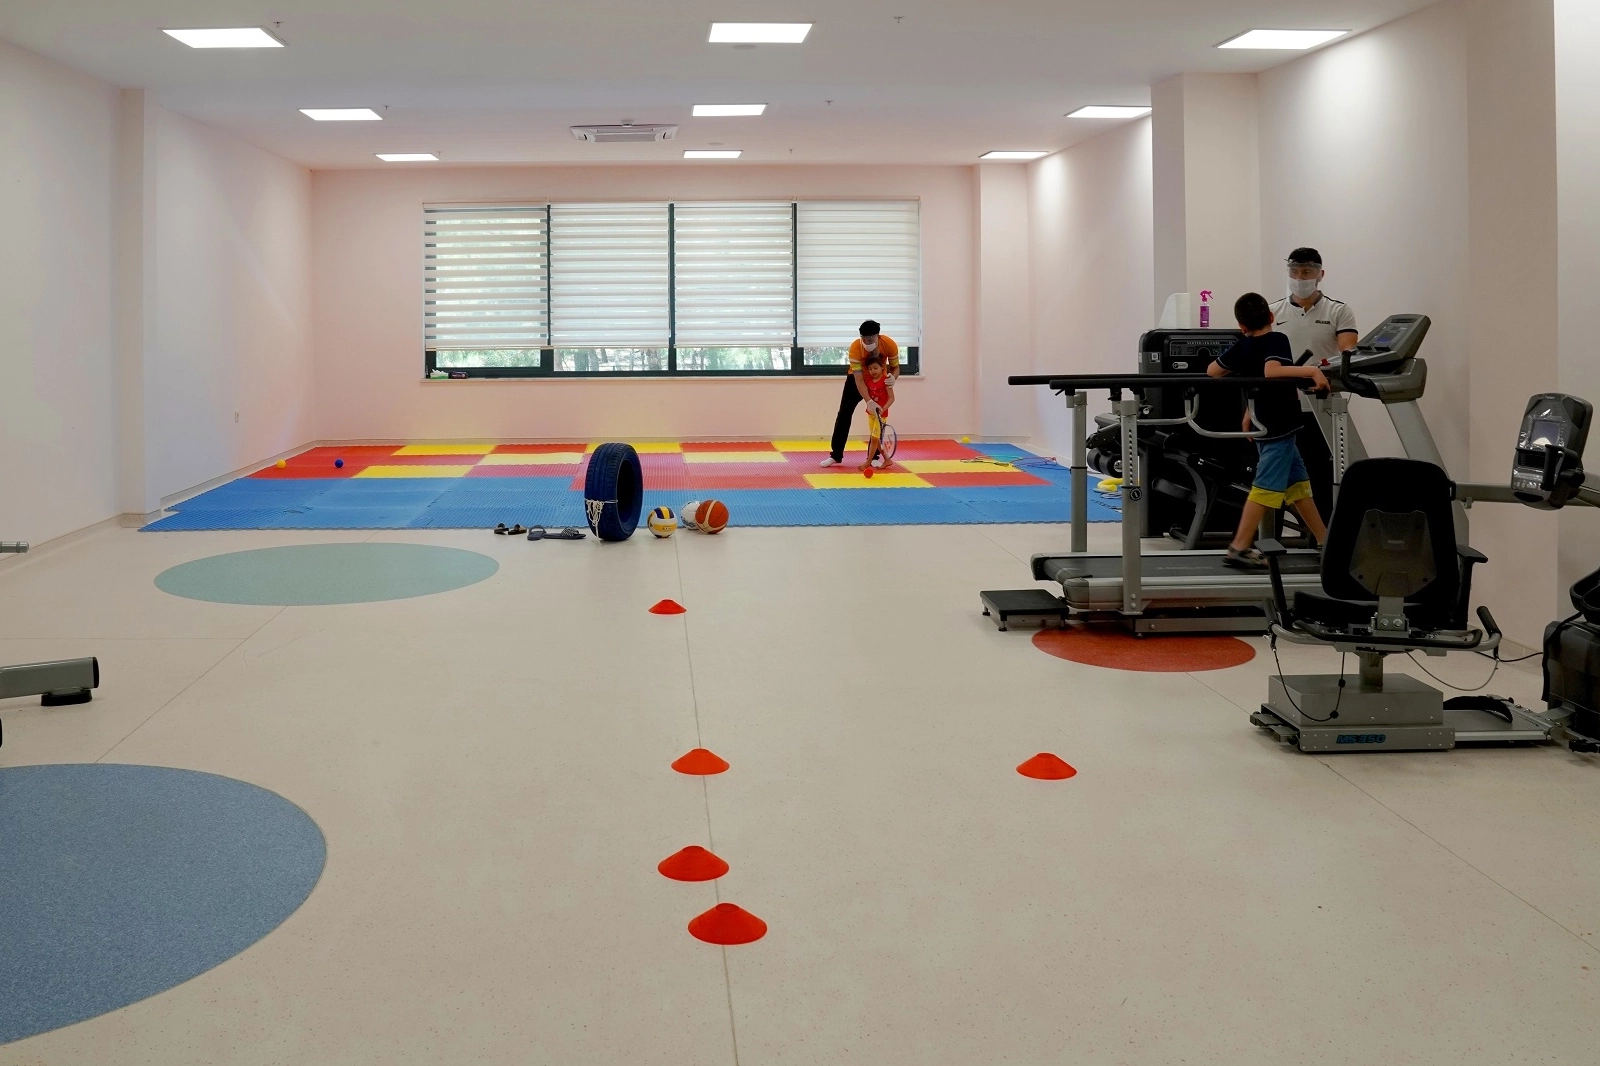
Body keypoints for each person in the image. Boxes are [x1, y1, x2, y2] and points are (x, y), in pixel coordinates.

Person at [1208, 292, 1330, 569]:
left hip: (1264, 421)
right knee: (1265, 485)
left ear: (1242, 326)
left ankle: (1325, 540)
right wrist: (1312, 372)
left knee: (1298, 485)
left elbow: (1213, 371)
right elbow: (1271, 371)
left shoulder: (1243, 345)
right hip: (1279, 425)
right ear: (1272, 317)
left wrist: (1249, 408)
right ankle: (1238, 547)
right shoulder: (1277, 339)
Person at [822, 320, 899, 468]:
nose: (867, 342)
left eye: (870, 339)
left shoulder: (889, 344)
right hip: (856, 381)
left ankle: (874, 457)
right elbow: (859, 380)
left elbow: (896, 368)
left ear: (878, 336)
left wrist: (893, 378)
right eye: (864, 339)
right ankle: (836, 455)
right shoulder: (856, 348)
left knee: (877, 420)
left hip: (879, 380)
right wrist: (869, 400)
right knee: (844, 414)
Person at [1270, 247, 1358, 367]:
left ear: (1320, 274)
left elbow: (1348, 356)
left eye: (1306, 272)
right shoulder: (1271, 311)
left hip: (1324, 378)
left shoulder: (1339, 310)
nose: (1299, 278)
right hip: (1284, 379)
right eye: (1294, 271)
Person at [859, 352, 895, 471]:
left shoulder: (886, 381)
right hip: (871, 414)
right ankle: (887, 459)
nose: (873, 371)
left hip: (881, 416)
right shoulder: (869, 381)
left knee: (874, 440)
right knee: (875, 439)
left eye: (875, 368)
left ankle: (868, 462)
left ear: (882, 367)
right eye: (870, 369)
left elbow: (892, 398)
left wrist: (883, 409)